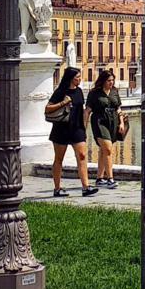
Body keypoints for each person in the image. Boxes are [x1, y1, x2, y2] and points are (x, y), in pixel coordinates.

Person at [46, 67, 96, 198]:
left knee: (82, 156)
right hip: (61, 128)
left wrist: (84, 127)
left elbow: (82, 110)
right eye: (77, 77)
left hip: (77, 128)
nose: (79, 79)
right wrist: (63, 102)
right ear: (70, 78)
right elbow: (48, 108)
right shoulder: (60, 92)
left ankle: (86, 187)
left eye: (79, 77)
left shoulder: (79, 91)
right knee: (59, 159)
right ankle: (57, 188)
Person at [87, 70, 125, 190]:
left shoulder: (114, 91)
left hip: (113, 122)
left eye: (112, 80)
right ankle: (110, 179)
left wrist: (121, 123)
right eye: (109, 80)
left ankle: (99, 179)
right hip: (99, 122)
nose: (111, 82)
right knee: (108, 149)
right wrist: (84, 126)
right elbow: (87, 110)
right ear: (103, 81)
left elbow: (118, 108)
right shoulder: (94, 93)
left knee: (104, 151)